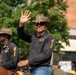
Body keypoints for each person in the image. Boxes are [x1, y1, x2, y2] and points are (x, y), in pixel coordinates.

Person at [17, 10, 55, 75]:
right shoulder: (33, 37)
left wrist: (28, 61)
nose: (39, 26)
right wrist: (21, 24)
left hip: (43, 68)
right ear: (35, 26)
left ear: (45, 25)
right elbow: (21, 35)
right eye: (37, 24)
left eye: (41, 24)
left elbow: (45, 54)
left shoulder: (50, 38)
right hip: (30, 68)